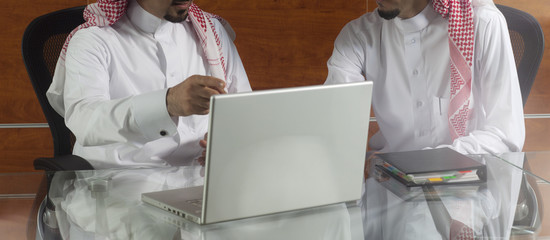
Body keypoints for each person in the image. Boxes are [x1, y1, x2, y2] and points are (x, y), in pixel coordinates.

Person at [47, 0, 252, 168]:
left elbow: (243, 111)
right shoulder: (93, 41)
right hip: (119, 187)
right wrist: (167, 103)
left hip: (199, 182)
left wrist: (227, 145)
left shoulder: (210, 32)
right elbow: (85, 120)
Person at [325, 0, 525, 155]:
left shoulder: (483, 22)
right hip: (392, 186)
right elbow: (337, 124)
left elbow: (505, 135)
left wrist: (424, 165)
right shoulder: (358, 37)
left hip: (470, 185)